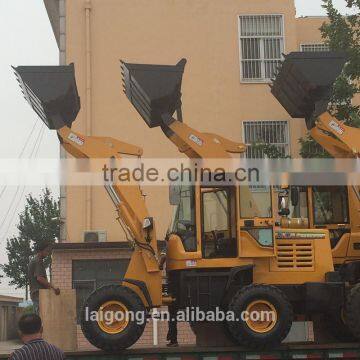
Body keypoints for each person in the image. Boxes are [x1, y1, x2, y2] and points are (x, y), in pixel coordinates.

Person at [28, 242, 60, 314]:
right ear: (40, 251)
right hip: (38, 294)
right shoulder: (37, 261)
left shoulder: (35, 260)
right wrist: (53, 287)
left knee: (40, 316)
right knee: (40, 316)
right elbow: (40, 278)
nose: (48, 253)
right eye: (46, 251)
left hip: (37, 293)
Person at [159, 245, 179, 347]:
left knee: (172, 315)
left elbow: (162, 257)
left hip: (174, 283)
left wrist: (159, 266)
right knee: (172, 315)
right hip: (176, 283)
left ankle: (173, 340)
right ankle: (173, 339)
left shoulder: (169, 246)